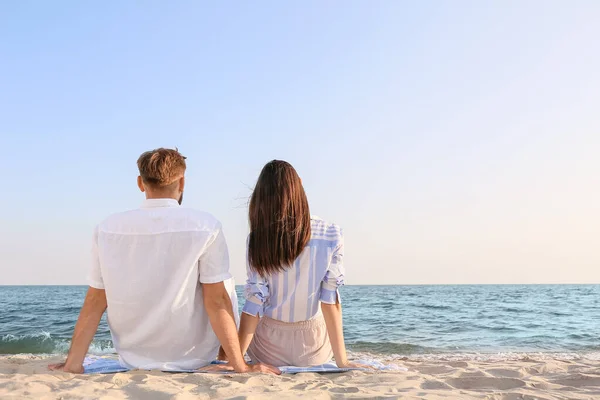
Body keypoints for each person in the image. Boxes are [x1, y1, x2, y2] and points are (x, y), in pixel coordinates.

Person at [49, 148, 279, 375]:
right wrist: (241, 366)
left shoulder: (108, 228)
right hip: (194, 357)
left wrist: (73, 363)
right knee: (220, 284)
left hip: (133, 358)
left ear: (141, 183)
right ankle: (229, 357)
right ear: (182, 183)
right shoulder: (205, 225)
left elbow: (95, 300)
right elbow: (216, 300)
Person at [234, 160, 362, 368]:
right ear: (300, 184)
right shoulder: (331, 233)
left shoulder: (257, 239)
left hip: (268, 349)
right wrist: (343, 362)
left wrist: (237, 360)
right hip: (313, 349)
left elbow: (255, 303)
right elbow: (330, 302)